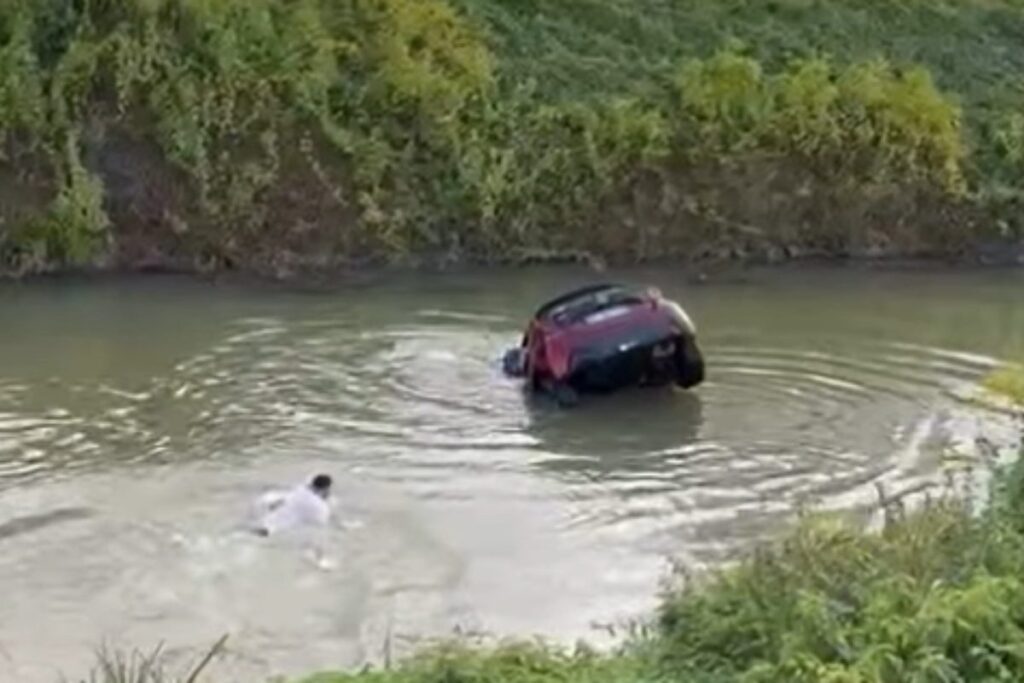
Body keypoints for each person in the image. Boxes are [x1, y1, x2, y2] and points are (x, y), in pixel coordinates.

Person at [253, 473, 333, 538]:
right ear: (326, 488)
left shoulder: (301, 489)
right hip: (282, 526)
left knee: (270, 521)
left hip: (272, 509)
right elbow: (319, 523)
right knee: (277, 526)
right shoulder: (319, 506)